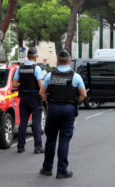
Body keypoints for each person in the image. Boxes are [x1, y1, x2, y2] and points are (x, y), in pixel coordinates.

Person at [39, 50, 87, 179]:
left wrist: (48, 102)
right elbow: (83, 95)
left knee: (50, 139)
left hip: (53, 108)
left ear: (58, 61)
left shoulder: (50, 75)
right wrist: (74, 103)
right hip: (68, 109)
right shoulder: (76, 76)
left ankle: (47, 168)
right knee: (64, 140)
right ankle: (62, 170)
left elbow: (42, 93)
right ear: (69, 61)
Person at [12, 47, 44, 154]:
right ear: (35, 57)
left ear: (27, 56)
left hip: (24, 98)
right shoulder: (37, 69)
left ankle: (20, 147)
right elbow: (41, 86)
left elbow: (14, 85)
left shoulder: (19, 68)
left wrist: (23, 85)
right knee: (36, 123)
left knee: (23, 123)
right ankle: (38, 147)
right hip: (35, 98)